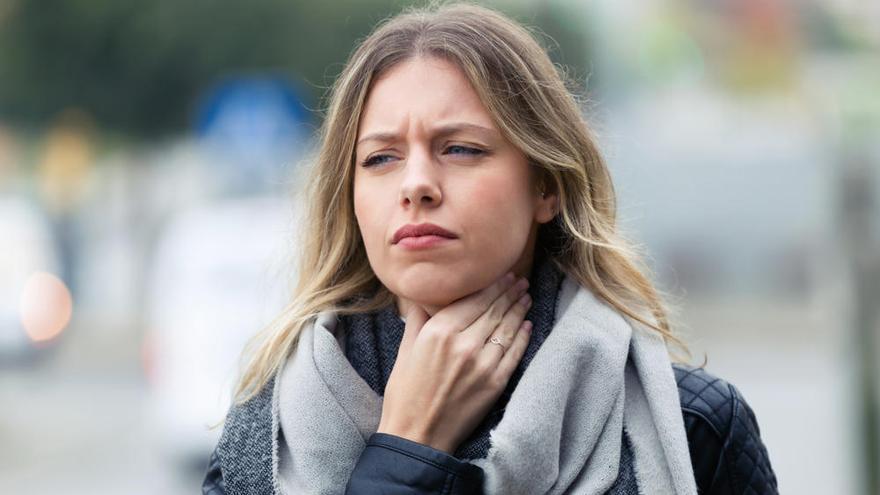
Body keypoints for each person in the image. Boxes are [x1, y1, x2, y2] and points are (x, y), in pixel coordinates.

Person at [202, 3, 778, 494]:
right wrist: (406, 447)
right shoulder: (267, 429)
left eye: (460, 149)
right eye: (380, 158)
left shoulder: (691, 421)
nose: (415, 185)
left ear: (546, 186)